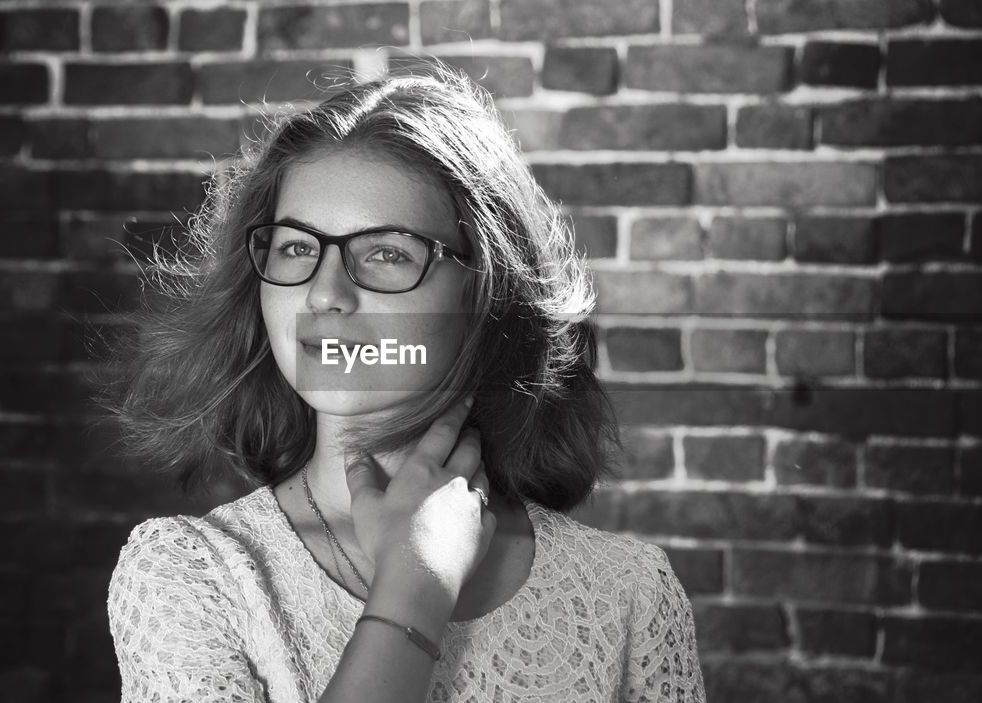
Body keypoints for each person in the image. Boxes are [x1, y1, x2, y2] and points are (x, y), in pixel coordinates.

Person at [104, 63, 705, 702]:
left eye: (388, 252)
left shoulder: (629, 593)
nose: (326, 294)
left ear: (487, 291)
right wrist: (415, 586)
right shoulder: (192, 579)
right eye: (296, 248)